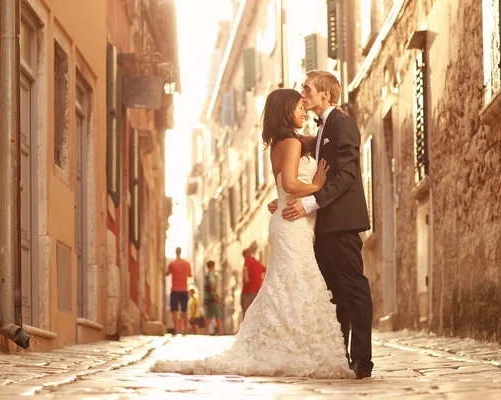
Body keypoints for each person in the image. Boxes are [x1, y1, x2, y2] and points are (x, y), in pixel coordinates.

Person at [152, 88, 354, 379]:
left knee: (288, 284)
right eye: (299, 107)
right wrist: (319, 185)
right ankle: (294, 343)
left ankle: (290, 341)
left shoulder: (282, 143)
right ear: (285, 111)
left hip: (288, 221)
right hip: (291, 223)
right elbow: (291, 184)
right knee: (296, 282)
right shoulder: (292, 144)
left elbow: (322, 144)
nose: (303, 111)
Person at [276, 70, 374, 379]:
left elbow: (346, 176)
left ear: (325, 96)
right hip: (324, 226)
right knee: (336, 294)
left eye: (307, 89)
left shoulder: (342, 124)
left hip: (342, 222)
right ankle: (340, 358)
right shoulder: (321, 130)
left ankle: (362, 361)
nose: (302, 94)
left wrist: (308, 204)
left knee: (354, 290)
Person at [166, 247, 192, 335]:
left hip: (175, 290)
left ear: (175, 252)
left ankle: (176, 330)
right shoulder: (187, 264)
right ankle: (185, 330)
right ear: (181, 252)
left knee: (175, 310)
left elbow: (167, 273)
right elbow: (190, 275)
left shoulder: (172, 264)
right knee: (185, 310)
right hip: (184, 289)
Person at [241, 248, 267, 318]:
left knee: (246, 310)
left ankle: (245, 327)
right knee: (256, 311)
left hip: (248, 290)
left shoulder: (247, 260)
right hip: (258, 290)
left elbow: (245, 269)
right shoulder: (257, 262)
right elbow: (266, 270)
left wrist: (246, 279)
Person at [203, 260, 223, 335]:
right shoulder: (211, 274)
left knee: (208, 316)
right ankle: (221, 333)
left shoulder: (207, 274)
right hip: (212, 298)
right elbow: (212, 285)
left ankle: (206, 333)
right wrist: (216, 297)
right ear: (213, 266)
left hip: (208, 298)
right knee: (218, 315)